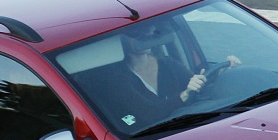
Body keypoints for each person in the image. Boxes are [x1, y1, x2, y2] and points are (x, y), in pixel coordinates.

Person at [102, 23, 238, 131]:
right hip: (151, 138)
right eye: (137, 33)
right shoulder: (117, 79)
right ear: (120, 40)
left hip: (191, 126)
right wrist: (184, 95)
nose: (146, 36)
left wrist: (222, 73)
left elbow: (197, 86)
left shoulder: (168, 63)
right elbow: (148, 114)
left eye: (149, 31)